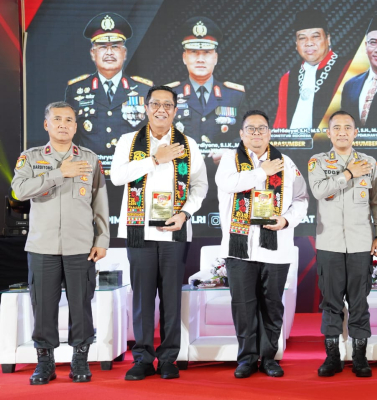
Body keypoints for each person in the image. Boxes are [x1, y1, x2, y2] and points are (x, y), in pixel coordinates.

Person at [110, 85, 208, 380]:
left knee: (170, 298)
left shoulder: (189, 144)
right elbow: (117, 177)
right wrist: (155, 159)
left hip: (174, 232)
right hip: (139, 231)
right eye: (155, 104)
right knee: (141, 298)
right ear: (146, 108)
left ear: (175, 110)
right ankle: (141, 358)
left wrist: (185, 213)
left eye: (168, 104)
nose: (161, 109)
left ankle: (168, 358)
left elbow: (200, 186)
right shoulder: (129, 141)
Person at [12, 101, 109, 385]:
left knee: (81, 304)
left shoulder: (90, 159)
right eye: (57, 119)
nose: (63, 124)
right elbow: (18, 191)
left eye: (69, 120)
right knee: (43, 306)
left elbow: (99, 203)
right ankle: (45, 362)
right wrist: (58, 173)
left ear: (76, 126)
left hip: (81, 245)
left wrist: (102, 239)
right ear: (47, 124)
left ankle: (80, 359)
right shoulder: (30, 158)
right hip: (42, 246)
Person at [216, 110, 309, 378]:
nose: (256, 133)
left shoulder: (287, 162)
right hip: (239, 248)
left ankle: (269, 357)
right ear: (242, 134)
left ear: (270, 133)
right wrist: (261, 172)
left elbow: (301, 198)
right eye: (251, 129)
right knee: (243, 306)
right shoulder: (229, 161)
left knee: (272, 305)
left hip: (276, 247)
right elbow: (227, 184)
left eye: (262, 128)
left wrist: (286, 220)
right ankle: (246, 358)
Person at [308, 110, 377, 377]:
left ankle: (360, 358)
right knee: (330, 302)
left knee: (359, 302)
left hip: (360, 243)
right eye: (336, 127)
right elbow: (319, 190)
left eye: (347, 127)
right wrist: (348, 174)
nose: (342, 132)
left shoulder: (370, 162)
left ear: (356, 132)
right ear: (328, 133)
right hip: (329, 243)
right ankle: (332, 358)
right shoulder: (317, 162)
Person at [65, 12, 152, 171]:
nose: (109, 52)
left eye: (115, 47)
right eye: (103, 47)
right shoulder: (76, 89)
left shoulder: (144, 90)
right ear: (93, 53)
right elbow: (69, 136)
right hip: (90, 175)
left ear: (124, 53)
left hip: (132, 175)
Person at [167, 16, 245, 151]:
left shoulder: (235, 95)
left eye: (207, 53)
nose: (200, 59)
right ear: (184, 57)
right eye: (193, 52)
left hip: (223, 170)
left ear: (215, 58)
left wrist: (229, 154)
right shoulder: (169, 95)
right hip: (183, 169)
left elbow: (246, 136)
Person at [274, 9, 350, 129]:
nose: (309, 43)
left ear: (328, 39)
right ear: (296, 44)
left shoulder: (348, 69)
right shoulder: (288, 78)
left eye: (315, 36)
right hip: (291, 146)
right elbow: (280, 125)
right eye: (302, 38)